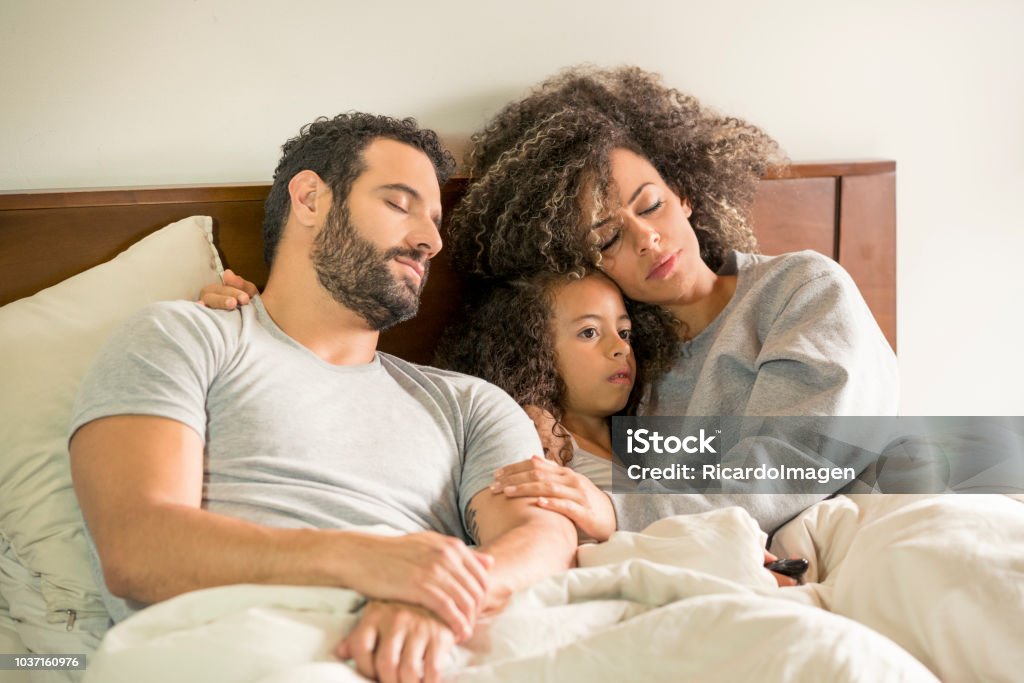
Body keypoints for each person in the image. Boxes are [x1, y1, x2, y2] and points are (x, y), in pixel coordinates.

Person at [69, 113, 576, 683]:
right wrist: (366, 564)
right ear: (311, 198)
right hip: (242, 646)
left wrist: (435, 595)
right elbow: (138, 547)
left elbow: (542, 537)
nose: (431, 240)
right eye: (399, 203)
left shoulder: (468, 403)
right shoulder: (183, 337)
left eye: (435, 221)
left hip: (429, 644)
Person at [443, 67, 900, 534]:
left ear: (682, 193)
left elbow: (796, 461)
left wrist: (620, 513)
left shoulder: (803, 288)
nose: (648, 238)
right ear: (581, 262)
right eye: (609, 238)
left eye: (650, 205)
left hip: (862, 528)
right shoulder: (624, 372)